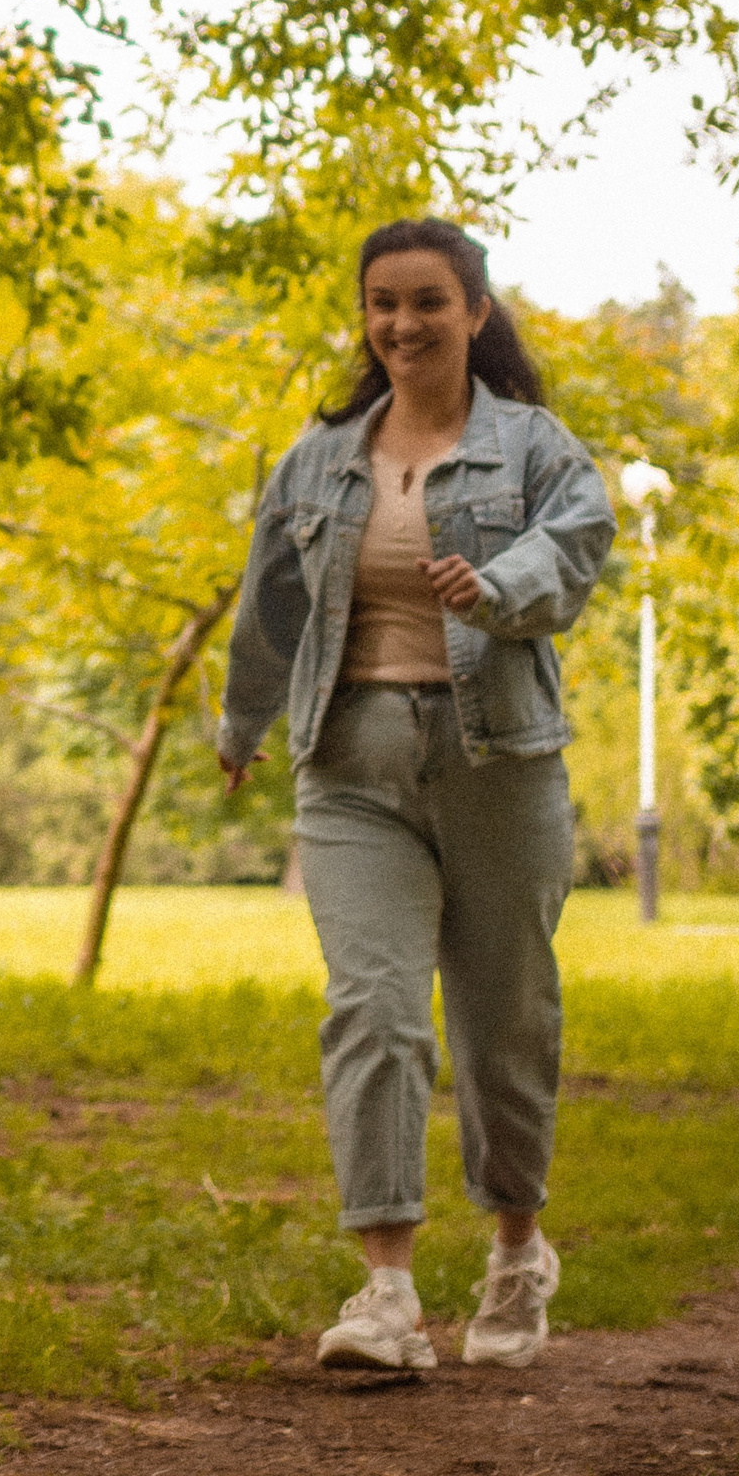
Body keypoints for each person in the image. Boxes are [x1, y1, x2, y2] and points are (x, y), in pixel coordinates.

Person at [218, 223, 612, 1377]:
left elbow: (576, 548)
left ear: (476, 311)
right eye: (382, 304)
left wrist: (495, 586)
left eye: (428, 301)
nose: (402, 324)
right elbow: (270, 601)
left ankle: (515, 1248)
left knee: (504, 1023)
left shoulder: (533, 448)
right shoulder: (323, 455)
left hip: (500, 762)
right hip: (350, 761)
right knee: (374, 1009)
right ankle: (385, 1290)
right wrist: (242, 724)